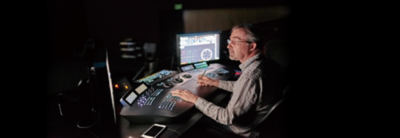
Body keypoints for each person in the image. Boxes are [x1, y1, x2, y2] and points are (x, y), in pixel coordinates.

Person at [171, 23, 284, 137]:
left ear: (252, 46)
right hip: (261, 123)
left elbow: (227, 118)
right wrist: (214, 82)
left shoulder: (250, 77)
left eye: (235, 42)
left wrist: (194, 99)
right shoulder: (268, 63)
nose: (229, 46)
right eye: (229, 41)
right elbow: (245, 89)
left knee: (196, 120)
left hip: (243, 130)